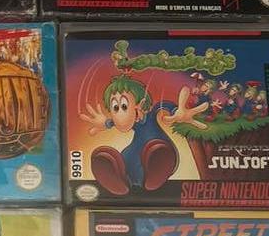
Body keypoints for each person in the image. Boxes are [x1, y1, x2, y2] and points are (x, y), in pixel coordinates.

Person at [79, 75, 209, 195]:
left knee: (155, 150)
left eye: (124, 106)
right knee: (120, 158)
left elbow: (165, 106)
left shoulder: (151, 115)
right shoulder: (132, 122)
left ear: (141, 102)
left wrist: (178, 112)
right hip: (134, 163)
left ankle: (155, 172)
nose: (119, 114)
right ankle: (120, 179)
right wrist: (106, 123)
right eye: (115, 108)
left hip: (160, 155)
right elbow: (120, 122)